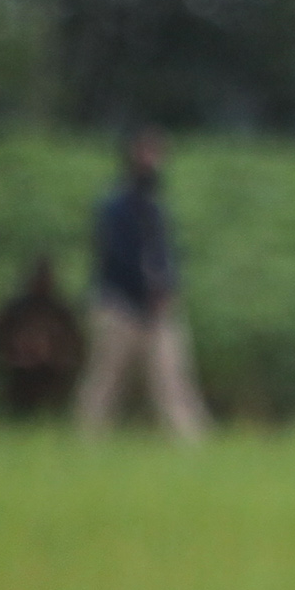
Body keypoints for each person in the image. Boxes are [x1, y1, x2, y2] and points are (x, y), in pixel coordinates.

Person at [79, 127, 206, 441]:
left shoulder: (156, 207)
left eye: (157, 154)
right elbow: (116, 256)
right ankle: (86, 441)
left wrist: (167, 289)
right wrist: (145, 290)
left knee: (173, 379)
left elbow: (165, 255)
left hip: (157, 309)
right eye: (147, 153)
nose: (153, 161)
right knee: (106, 380)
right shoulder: (114, 206)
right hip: (119, 305)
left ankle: (192, 445)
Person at [0, 254, 88, 417]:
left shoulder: (59, 310)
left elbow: (75, 339)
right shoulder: (16, 309)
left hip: (52, 364)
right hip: (20, 363)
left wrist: (62, 356)